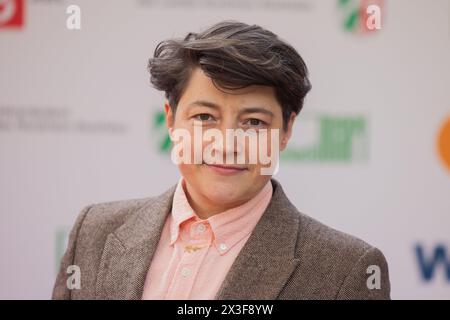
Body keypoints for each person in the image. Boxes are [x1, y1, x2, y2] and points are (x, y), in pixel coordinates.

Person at [52, 20, 390, 300]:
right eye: (204, 117)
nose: (227, 144)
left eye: (254, 123)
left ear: (286, 130)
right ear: (171, 120)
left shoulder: (346, 271)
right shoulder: (95, 231)